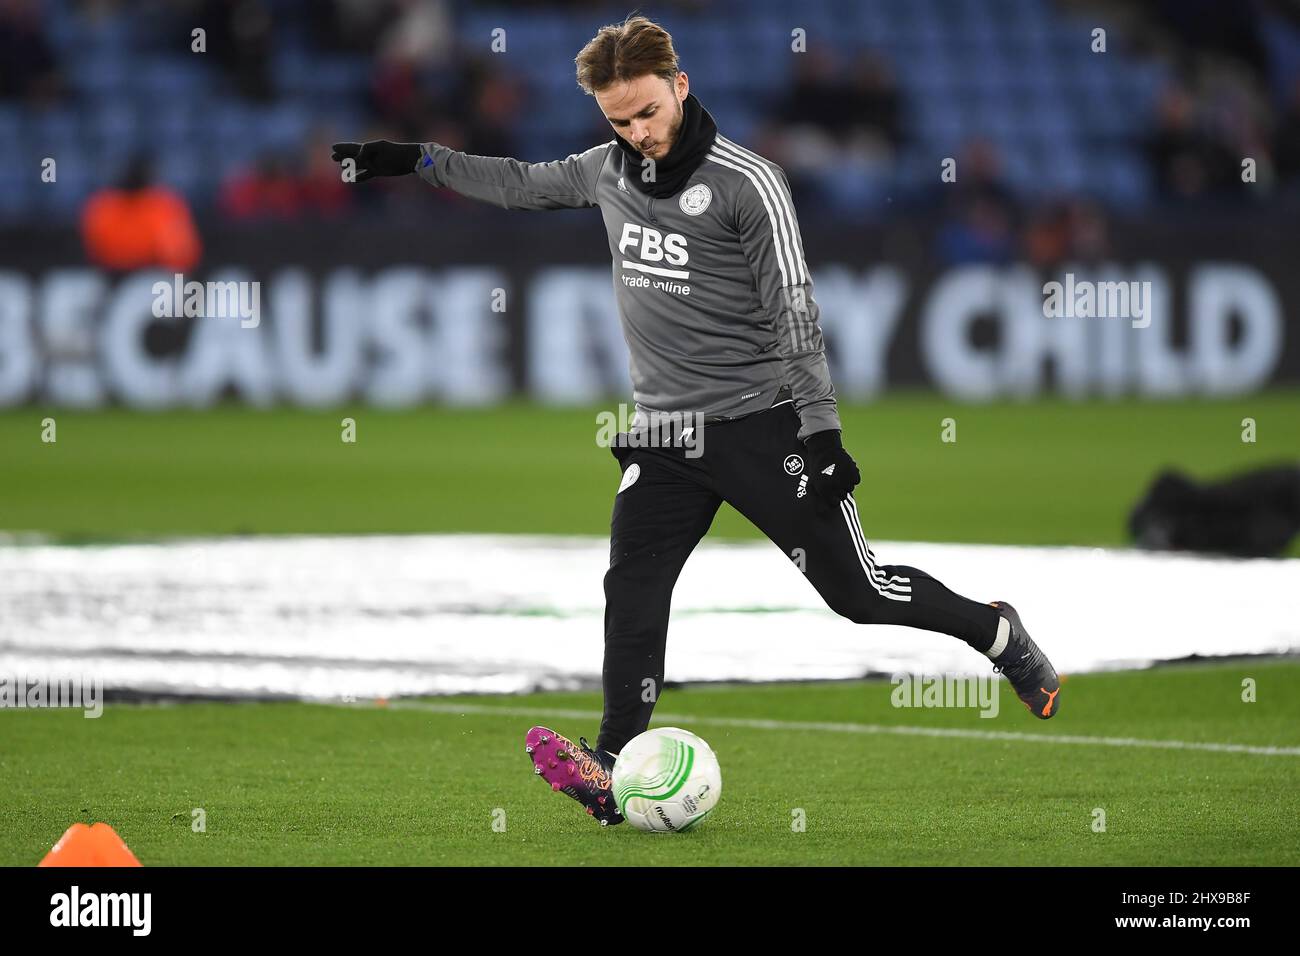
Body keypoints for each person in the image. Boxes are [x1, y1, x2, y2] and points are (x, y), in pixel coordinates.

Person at [332, 15, 1060, 827]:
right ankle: (612, 769)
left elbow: (795, 309)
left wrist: (821, 435)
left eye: (647, 111)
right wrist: (416, 160)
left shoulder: (748, 181)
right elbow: (516, 181)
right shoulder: (604, 170)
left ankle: (996, 635)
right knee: (633, 587)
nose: (637, 133)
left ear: (679, 86)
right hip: (665, 436)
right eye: (619, 119)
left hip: (762, 426)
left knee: (857, 593)